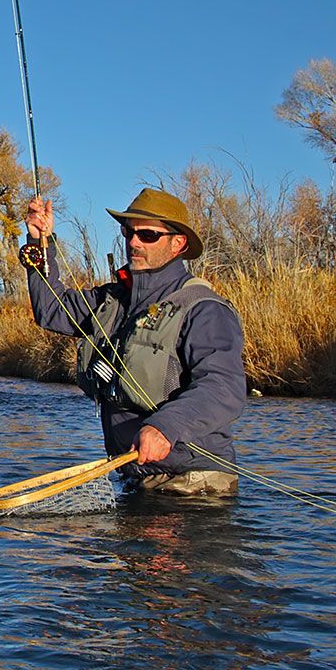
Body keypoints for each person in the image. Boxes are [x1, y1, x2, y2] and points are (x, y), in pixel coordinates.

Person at [20, 187, 246, 496]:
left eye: (148, 235)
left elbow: (223, 388)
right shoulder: (113, 301)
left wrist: (165, 427)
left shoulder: (204, 309)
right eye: (129, 232)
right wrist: (38, 241)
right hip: (136, 480)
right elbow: (51, 310)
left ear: (178, 243)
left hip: (193, 485)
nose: (134, 242)